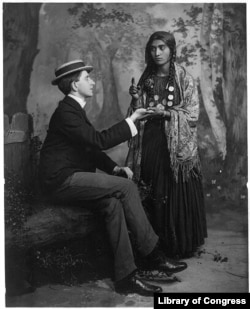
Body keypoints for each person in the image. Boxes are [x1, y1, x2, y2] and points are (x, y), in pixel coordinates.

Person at [39, 59, 187, 297]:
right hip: (60, 181)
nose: (93, 81)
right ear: (75, 85)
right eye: (87, 78)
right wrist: (133, 120)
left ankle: (126, 277)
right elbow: (98, 142)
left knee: (112, 204)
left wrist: (114, 169)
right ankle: (154, 257)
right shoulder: (67, 112)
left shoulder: (73, 109)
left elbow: (88, 148)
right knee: (126, 188)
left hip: (70, 177)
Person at [126, 31, 207, 259]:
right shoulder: (146, 78)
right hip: (150, 143)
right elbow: (137, 112)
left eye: (162, 47)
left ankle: (178, 245)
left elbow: (192, 114)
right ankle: (153, 248)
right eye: (153, 48)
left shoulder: (184, 78)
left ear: (172, 50)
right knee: (151, 190)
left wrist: (168, 113)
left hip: (174, 146)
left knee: (170, 189)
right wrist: (135, 99)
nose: (157, 52)